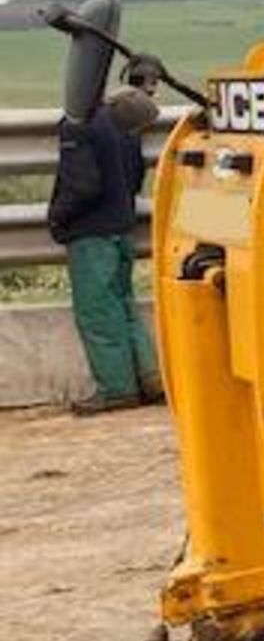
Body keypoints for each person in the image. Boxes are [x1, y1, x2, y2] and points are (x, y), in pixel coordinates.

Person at [47, 83, 163, 415]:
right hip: (120, 229)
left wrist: (58, 218)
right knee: (124, 306)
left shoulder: (80, 125)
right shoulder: (127, 132)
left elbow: (81, 184)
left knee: (97, 313)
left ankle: (116, 390)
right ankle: (150, 377)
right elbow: (136, 177)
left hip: (90, 234)